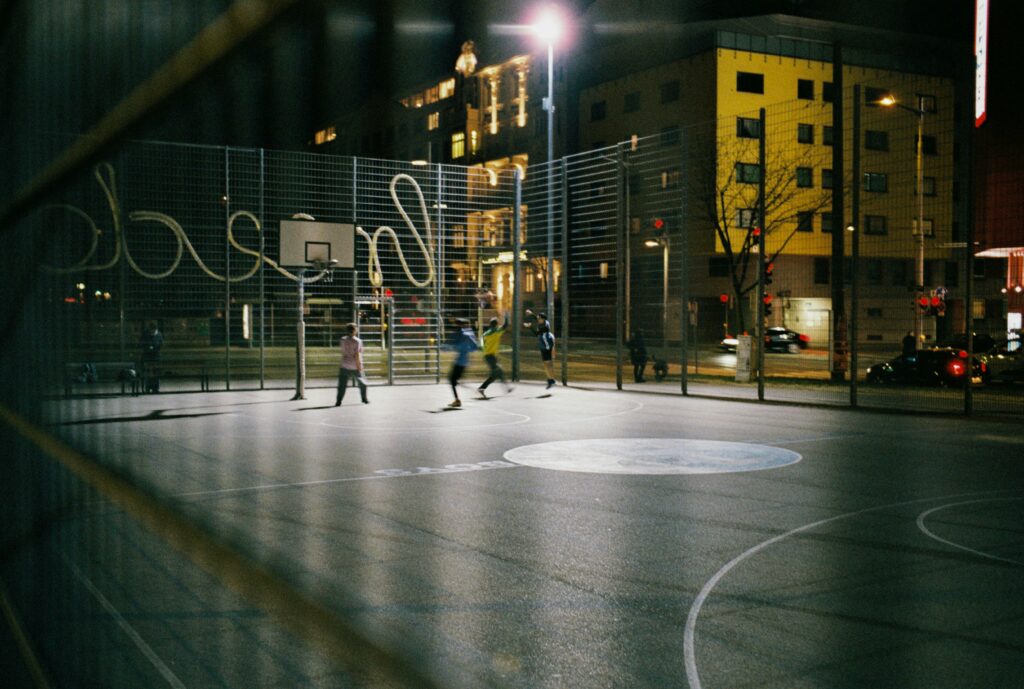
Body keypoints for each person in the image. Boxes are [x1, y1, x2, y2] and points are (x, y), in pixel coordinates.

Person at [445, 318, 480, 408]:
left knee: (452, 380)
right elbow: (475, 347)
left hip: (460, 362)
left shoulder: (461, 334)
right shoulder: (469, 334)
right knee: (453, 380)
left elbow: (455, 344)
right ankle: (457, 398)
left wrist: (450, 347)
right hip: (465, 361)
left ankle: (457, 399)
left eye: (458, 324)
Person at [477, 310, 513, 398]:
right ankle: (505, 387)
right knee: (498, 371)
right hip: (491, 356)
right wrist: (506, 316)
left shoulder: (486, 333)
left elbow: (481, 342)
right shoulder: (497, 332)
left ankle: (483, 388)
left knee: (495, 374)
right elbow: (505, 325)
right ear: (496, 324)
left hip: (488, 355)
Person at [335, 323, 369, 406]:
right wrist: (359, 366)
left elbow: (343, 351)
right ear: (355, 331)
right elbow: (357, 354)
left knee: (342, 385)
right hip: (355, 365)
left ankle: (338, 401)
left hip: (344, 364)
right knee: (362, 383)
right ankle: (364, 399)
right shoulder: (357, 341)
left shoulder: (342, 340)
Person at [524, 309, 557, 389]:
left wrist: (530, 326)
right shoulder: (541, 323)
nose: (538, 319)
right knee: (546, 364)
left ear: (543, 319)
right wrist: (531, 316)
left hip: (548, 345)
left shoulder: (545, 326)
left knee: (548, 364)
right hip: (543, 345)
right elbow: (536, 320)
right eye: (538, 318)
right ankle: (550, 379)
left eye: (539, 318)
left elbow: (537, 333)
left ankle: (551, 379)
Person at [140, 321, 164, 393]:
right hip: (147, 356)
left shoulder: (159, 334)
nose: (152, 331)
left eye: (153, 330)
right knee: (148, 372)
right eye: (151, 330)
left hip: (155, 356)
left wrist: (154, 347)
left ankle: (155, 388)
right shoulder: (145, 334)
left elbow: (161, 344)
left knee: (156, 372)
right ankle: (148, 388)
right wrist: (148, 347)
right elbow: (141, 343)